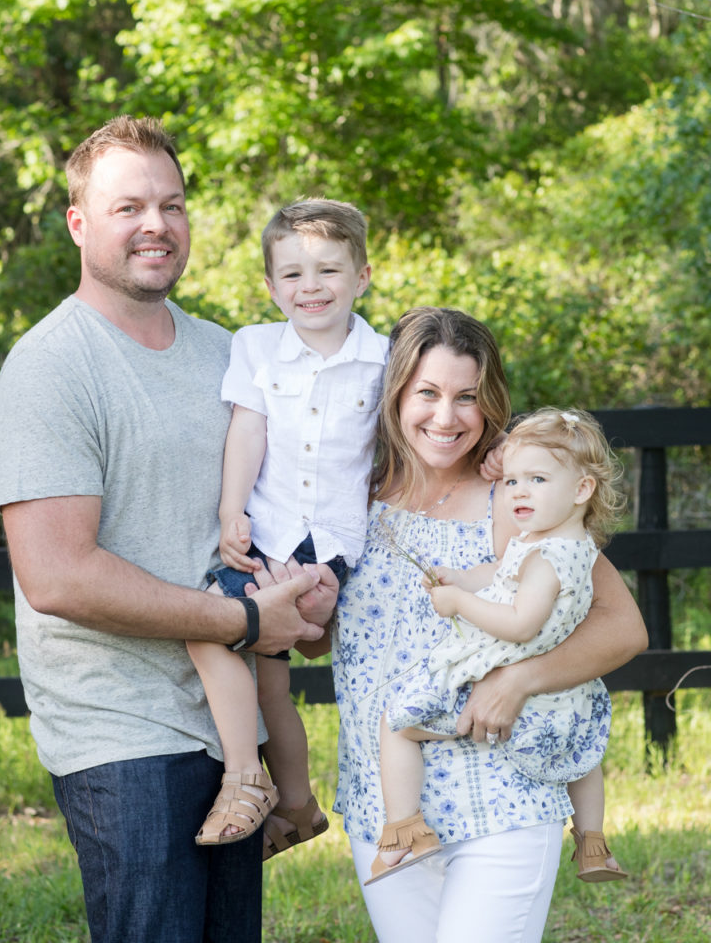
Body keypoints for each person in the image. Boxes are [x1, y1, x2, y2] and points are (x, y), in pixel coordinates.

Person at [0, 115, 337, 943]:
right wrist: (248, 620)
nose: (156, 224)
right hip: (122, 736)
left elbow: (296, 496)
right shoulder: (50, 369)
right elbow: (59, 576)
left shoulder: (232, 353)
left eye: (172, 204)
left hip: (233, 727)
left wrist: (308, 601)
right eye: (128, 207)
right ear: (79, 223)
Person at [322, 306, 647, 943]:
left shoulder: (517, 496)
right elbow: (317, 639)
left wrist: (519, 679)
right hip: (386, 805)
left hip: (499, 793)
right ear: (394, 395)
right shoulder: (351, 495)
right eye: (427, 393)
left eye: (466, 397)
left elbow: (622, 626)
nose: (446, 418)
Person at [189, 198, 387, 856]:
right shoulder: (256, 347)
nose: (311, 288)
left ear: (362, 276)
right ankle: (296, 803)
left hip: (332, 546)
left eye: (329, 271)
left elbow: (401, 449)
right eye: (293, 275)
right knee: (254, 665)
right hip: (268, 532)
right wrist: (231, 511)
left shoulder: (384, 360)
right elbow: (248, 431)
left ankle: (249, 781)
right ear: (271, 285)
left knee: (219, 629)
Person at [372, 407, 628, 885]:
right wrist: (466, 578)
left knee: (397, 722)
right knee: (583, 756)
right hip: (565, 692)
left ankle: (404, 828)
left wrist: (458, 601)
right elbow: (505, 575)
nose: (519, 491)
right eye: (511, 481)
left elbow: (519, 623)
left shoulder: (545, 559)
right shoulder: (570, 546)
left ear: (582, 489)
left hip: (505, 679)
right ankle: (592, 843)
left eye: (536, 479)